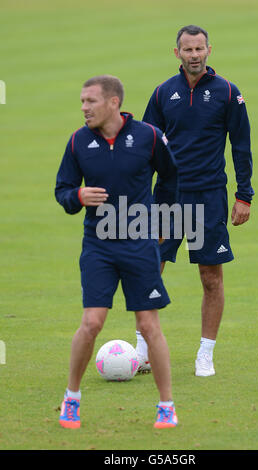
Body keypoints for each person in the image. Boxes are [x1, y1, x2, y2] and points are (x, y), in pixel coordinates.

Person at [55, 75, 178, 429]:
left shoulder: (148, 137)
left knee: (148, 324)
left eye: (90, 101)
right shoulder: (79, 141)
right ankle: (72, 399)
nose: (84, 108)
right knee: (92, 322)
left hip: (139, 243)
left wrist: (162, 222)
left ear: (113, 103)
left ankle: (166, 406)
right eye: (82, 101)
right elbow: (63, 188)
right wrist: (77, 197)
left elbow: (170, 178)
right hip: (98, 245)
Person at [136, 25, 254, 377]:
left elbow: (242, 146)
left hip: (208, 198)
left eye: (199, 48)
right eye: (187, 49)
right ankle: (142, 350)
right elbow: (145, 146)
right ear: (177, 53)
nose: (194, 55)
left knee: (210, 277)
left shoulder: (228, 93)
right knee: (150, 269)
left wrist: (244, 195)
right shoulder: (162, 94)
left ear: (209, 50)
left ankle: (205, 354)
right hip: (167, 199)